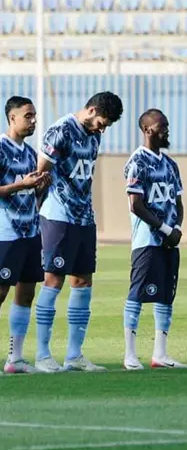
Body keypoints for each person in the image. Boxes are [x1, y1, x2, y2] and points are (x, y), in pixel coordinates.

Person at [34, 91, 123, 373]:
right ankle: (42, 355)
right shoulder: (60, 131)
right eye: (102, 123)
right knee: (53, 279)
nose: (102, 129)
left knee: (83, 281)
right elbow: (40, 175)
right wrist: (38, 215)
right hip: (58, 216)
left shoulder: (94, 136)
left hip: (84, 218)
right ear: (92, 110)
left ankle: (74, 355)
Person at [122, 109, 186, 370]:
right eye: (162, 126)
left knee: (166, 295)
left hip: (169, 241)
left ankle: (160, 353)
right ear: (147, 129)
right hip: (147, 241)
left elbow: (178, 202)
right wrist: (165, 229)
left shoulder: (171, 164)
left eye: (167, 125)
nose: (166, 130)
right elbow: (136, 204)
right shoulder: (137, 162)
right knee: (137, 293)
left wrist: (176, 228)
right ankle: (130, 354)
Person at [0, 97, 50, 373]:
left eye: (34, 116)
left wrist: (40, 186)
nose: (33, 121)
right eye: (28, 116)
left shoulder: (31, 154)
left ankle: (15, 358)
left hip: (31, 232)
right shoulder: (1, 148)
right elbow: (14, 187)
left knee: (27, 292)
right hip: (5, 234)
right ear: (12, 118)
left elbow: (31, 193)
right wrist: (21, 185)